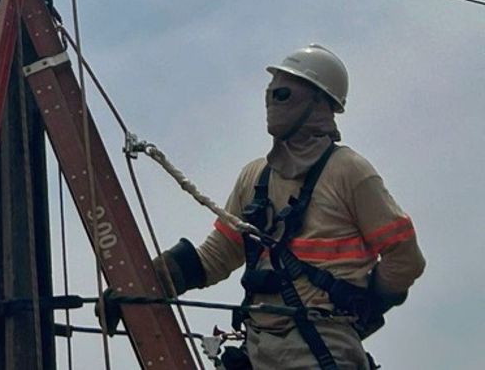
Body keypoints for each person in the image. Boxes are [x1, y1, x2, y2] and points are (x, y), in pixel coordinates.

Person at [149, 45, 425, 370]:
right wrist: (144, 282)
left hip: (323, 345)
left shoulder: (349, 171)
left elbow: (405, 259)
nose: (271, 103)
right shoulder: (255, 177)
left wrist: (363, 302)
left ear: (319, 103)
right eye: (269, 94)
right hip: (259, 346)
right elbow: (218, 256)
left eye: (281, 94)